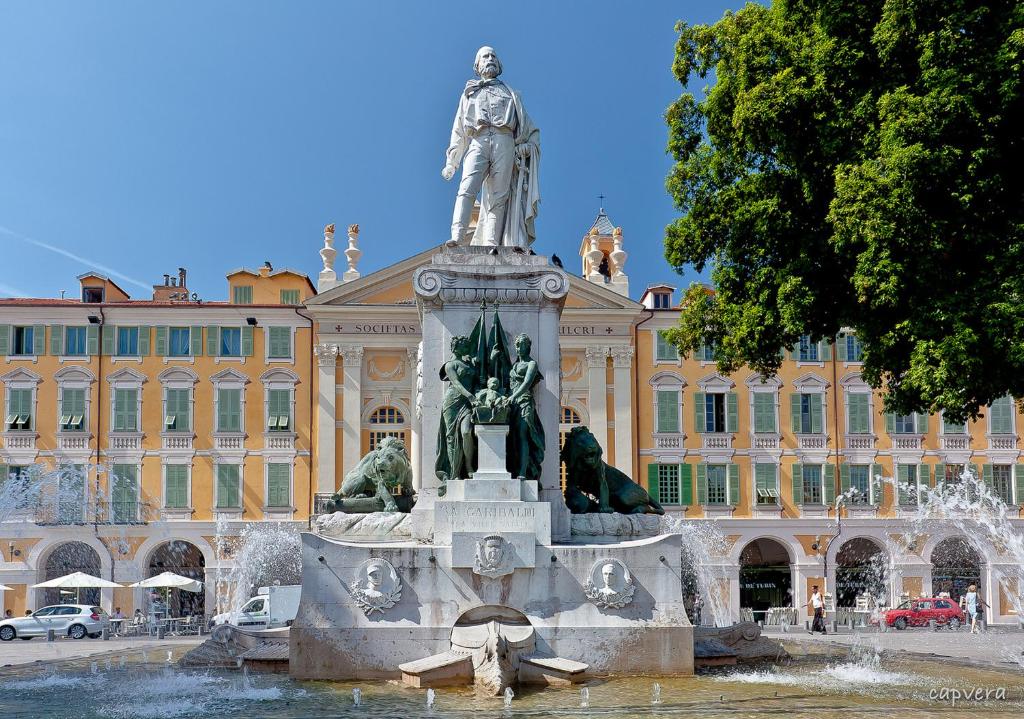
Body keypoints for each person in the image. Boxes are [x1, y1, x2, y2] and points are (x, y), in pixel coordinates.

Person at [442, 46, 540, 249]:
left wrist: (528, 146)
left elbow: (530, 129)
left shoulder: (511, 93)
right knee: (467, 188)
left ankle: (491, 244)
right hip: (478, 139)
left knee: (499, 196)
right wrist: (452, 162)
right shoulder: (469, 93)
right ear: (477, 66)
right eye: (485, 56)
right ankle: (458, 237)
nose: (490, 59)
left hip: (505, 140)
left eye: (494, 56)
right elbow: (459, 129)